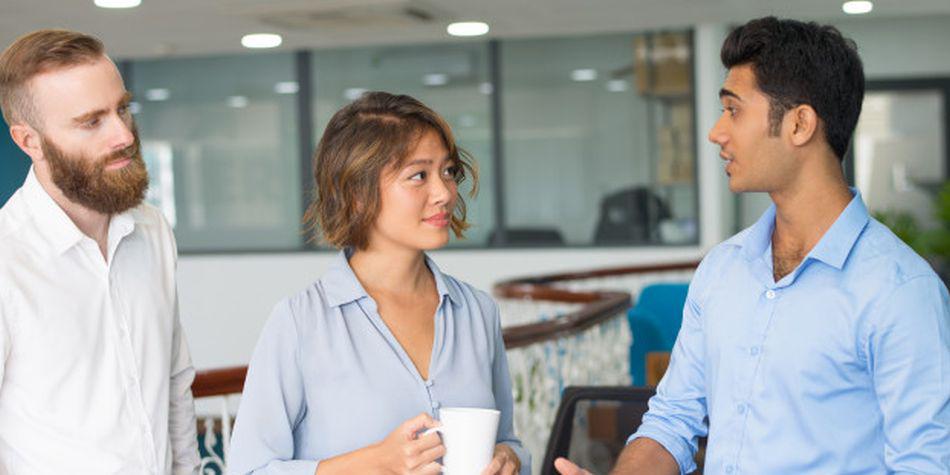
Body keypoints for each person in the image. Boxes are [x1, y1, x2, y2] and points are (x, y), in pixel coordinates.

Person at [556, 16, 950, 475]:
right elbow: (671, 422)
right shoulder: (722, 270)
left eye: (734, 109)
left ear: (800, 124)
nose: (716, 132)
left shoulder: (901, 292)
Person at [227, 92, 529, 475]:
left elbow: (508, 440)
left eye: (448, 172)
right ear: (356, 193)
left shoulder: (477, 311)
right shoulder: (300, 323)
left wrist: (510, 458)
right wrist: (373, 465)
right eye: (419, 175)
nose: (444, 193)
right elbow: (249, 470)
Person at [0, 30, 199, 474]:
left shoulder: (152, 230)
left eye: (122, 109)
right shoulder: (7, 260)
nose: (123, 135)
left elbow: (174, 384)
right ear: (29, 141)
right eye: (92, 121)